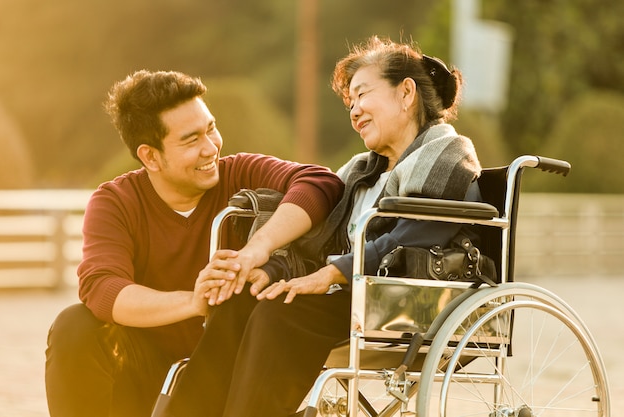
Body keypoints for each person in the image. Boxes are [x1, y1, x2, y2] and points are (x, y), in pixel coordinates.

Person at [161, 36, 483, 417]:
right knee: (244, 299)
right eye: (350, 103)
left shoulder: (446, 154)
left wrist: (333, 272)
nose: (354, 110)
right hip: (354, 294)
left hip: (410, 298)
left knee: (281, 314)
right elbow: (318, 243)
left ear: (406, 93)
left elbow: (419, 233)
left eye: (362, 95)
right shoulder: (363, 173)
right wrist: (271, 270)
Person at [44, 70, 344, 417]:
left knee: (239, 305)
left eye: (211, 128)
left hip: (235, 370)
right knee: (73, 325)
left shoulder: (240, 172)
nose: (210, 147)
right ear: (150, 156)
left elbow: (320, 181)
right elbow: (102, 288)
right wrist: (195, 302)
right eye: (191, 140)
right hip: (146, 371)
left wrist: (256, 249)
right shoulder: (116, 201)